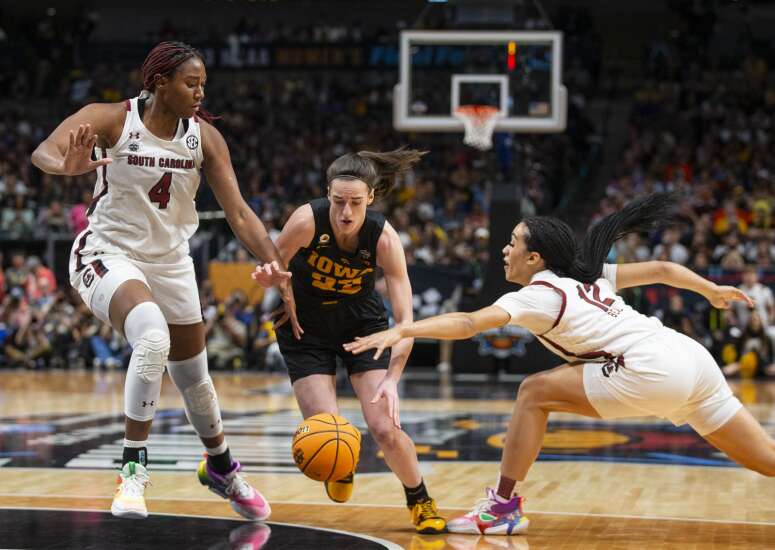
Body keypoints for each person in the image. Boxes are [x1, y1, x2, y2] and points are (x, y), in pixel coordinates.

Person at [345, 193, 775, 536]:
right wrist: (711, 290)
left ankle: (503, 508)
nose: (505, 249)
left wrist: (404, 330)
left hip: (649, 368)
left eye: (513, 242)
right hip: (690, 357)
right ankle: (503, 507)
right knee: (767, 459)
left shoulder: (539, 293)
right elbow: (662, 268)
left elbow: (470, 323)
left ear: (535, 259)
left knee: (534, 392)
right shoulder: (590, 276)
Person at [31, 41, 300, 520]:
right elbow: (44, 152)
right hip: (108, 251)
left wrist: (279, 269)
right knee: (151, 338)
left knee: (195, 377)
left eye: (202, 84)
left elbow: (239, 213)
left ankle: (221, 468)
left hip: (172, 261)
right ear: (159, 83)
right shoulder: (112, 118)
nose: (200, 93)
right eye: (191, 83)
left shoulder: (205, 139)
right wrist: (64, 167)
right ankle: (132, 472)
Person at [252, 148, 446, 534]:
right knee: (326, 430)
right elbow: (277, 269)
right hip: (305, 329)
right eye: (338, 201)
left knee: (385, 428)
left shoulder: (384, 238)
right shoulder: (306, 221)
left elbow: (405, 323)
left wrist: (392, 379)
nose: (345, 212)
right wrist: (273, 281)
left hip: (363, 326)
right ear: (328, 194)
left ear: (370, 198)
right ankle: (342, 462)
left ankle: (420, 499)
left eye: (355, 203)